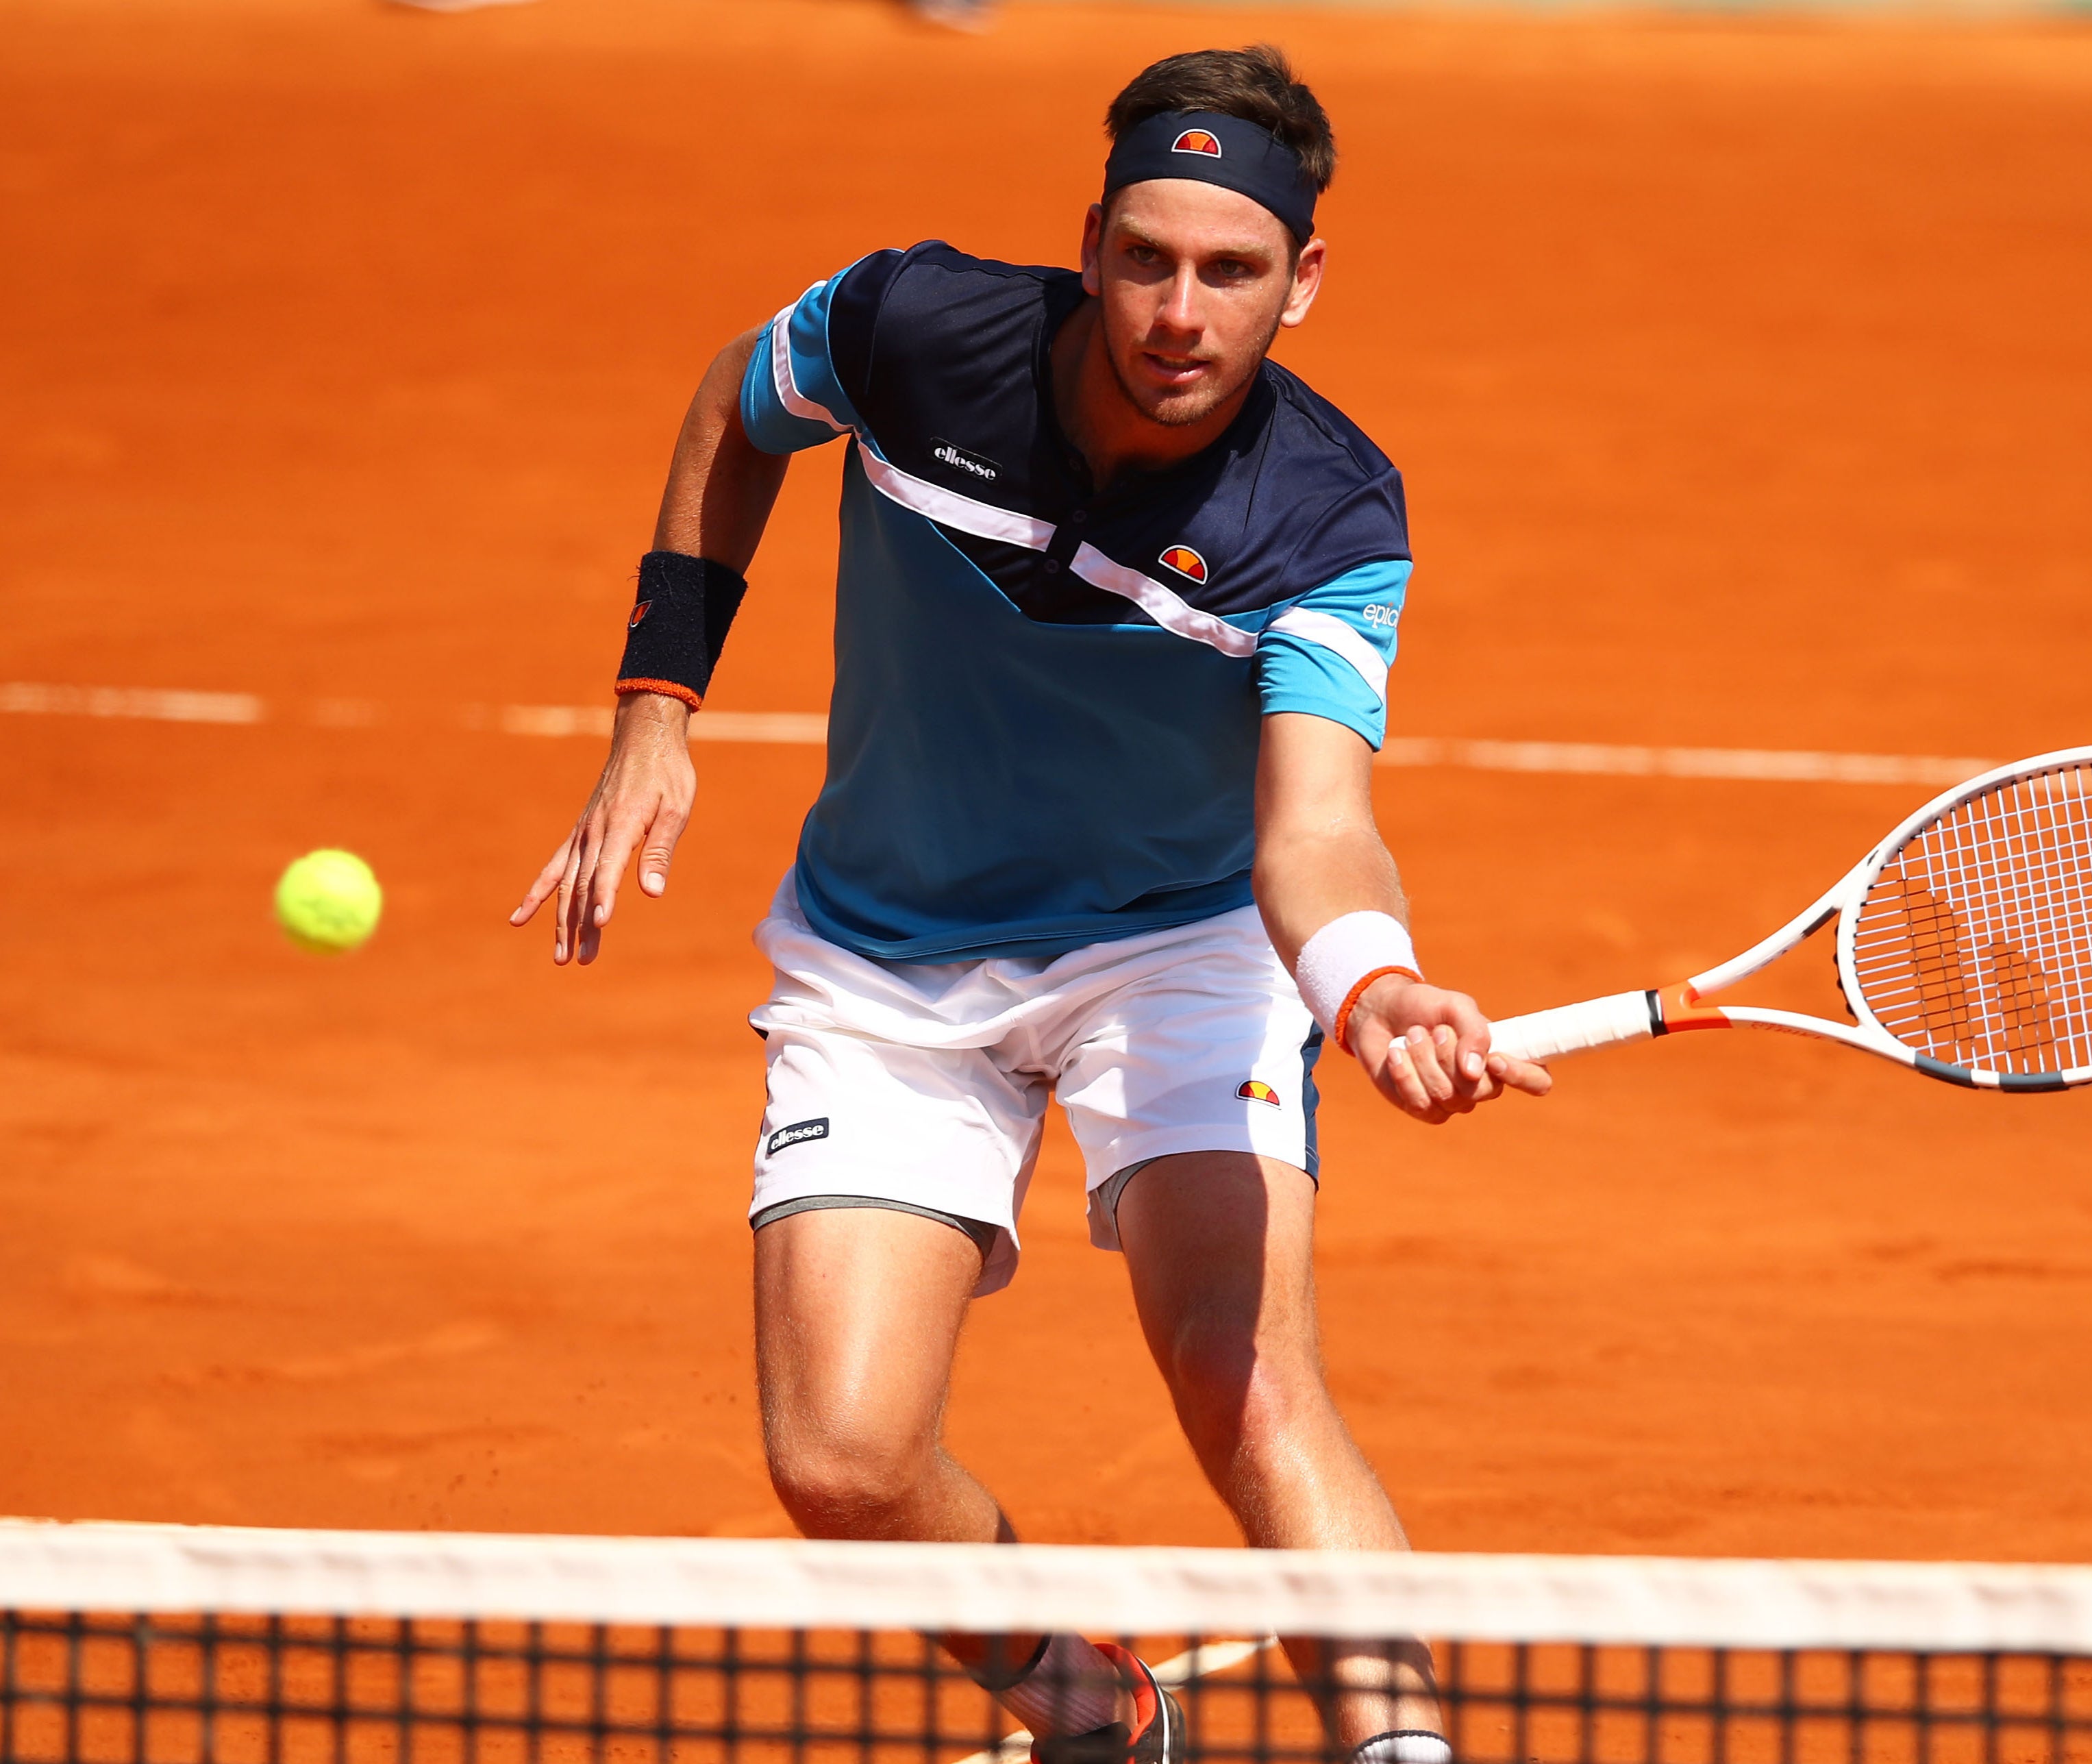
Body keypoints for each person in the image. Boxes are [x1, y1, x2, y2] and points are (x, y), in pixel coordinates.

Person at [511, 44, 1549, 1764]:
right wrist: (655, 703)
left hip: (1178, 942)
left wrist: (1370, 983)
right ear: (1090, 243)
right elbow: (731, 407)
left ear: (1304, 283)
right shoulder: (910, 331)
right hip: (887, 953)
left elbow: (1314, 832)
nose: (1178, 310)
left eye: (1231, 270)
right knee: (841, 1464)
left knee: (1245, 1378)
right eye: (1146, 256)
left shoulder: (1330, 516)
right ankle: (1095, 1709)